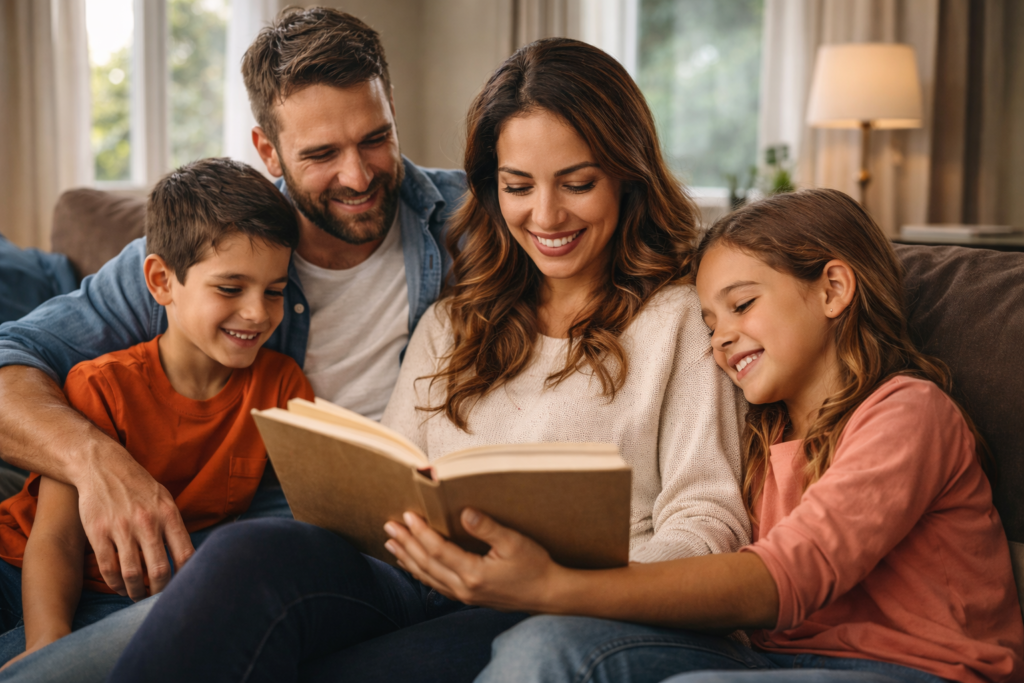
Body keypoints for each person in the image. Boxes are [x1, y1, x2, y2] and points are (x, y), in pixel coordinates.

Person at [106, 38, 749, 683]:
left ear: (627, 176)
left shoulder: (681, 319)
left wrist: (559, 584)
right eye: (518, 186)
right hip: (417, 580)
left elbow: (708, 520)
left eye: (578, 184)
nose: (546, 215)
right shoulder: (455, 319)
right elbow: (390, 476)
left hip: (568, 603)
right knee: (248, 553)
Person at [381, 187, 1024, 683]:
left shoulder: (910, 413)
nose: (719, 339)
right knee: (545, 646)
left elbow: (781, 579)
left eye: (742, 306)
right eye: (709, 320)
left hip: (917, 670)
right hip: (771, 662)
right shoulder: (760, 431)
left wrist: (553, 586)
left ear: (831, 288)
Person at [0, 8, 468, 682]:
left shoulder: (475, 220)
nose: (360, 176)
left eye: (375, 139)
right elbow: (14, 356)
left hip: (340, 554)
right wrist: (95, 460)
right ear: (269, 150)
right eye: (321, 154)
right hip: (196, 553)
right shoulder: (206, 248)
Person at [0, 158, 314, 669]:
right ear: (161, 281)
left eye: (275, 291)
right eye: (231, 288)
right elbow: (53, 538)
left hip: (137, 594)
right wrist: (48, 639)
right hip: (31, 577)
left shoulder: (282, 386)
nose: (258, 312)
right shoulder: (101, 387)